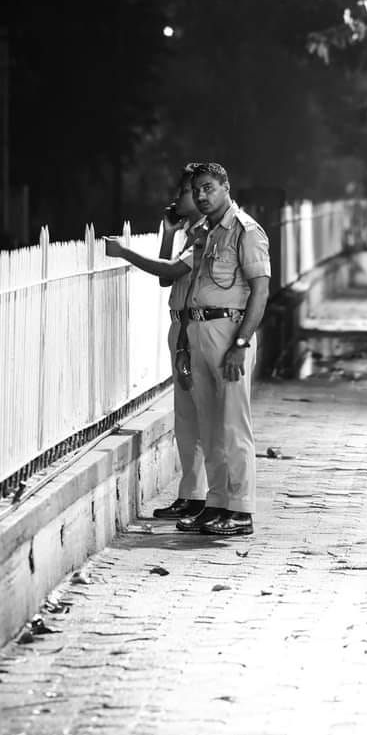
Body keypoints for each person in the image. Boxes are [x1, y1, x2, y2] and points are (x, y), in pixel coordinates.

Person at [104, 162, 271, 538]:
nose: (201, 196)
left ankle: (241, 510)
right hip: (197, 330)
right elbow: (189, 291)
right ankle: (217, 503)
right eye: (197, 190)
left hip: (229, 331)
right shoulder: (206, 233)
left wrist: (241, 344)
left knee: (233, 425)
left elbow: (260, 292)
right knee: (210, 426)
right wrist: (183, 346)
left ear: (226, 187)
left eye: (209, 188)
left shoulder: (246, 231)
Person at [153, 163, 207, 521]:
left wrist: (125, 254)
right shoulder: (187, 232)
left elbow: (169, 271)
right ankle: (190, 494)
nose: (178, 198)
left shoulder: (206, 233)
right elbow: (165, 279)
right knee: (186, 418)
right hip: (180, 324)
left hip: (192, 326)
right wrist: (169, 234)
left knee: (199, 416)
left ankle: (202, 497)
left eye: (185, 191)